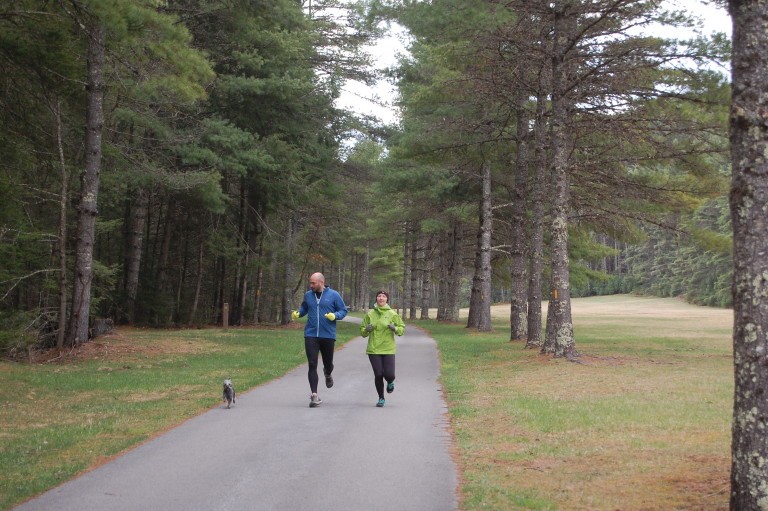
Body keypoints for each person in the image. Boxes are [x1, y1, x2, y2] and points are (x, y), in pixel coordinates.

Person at [291, 272, 348, 408]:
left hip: (328, 335)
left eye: (313, 283)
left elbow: (344, 310)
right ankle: (314, 395)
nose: (310, 285)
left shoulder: (333, 295)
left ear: (321, 282)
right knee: (312, 363)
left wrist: (335, 315)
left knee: (328, 364)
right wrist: (299, 313)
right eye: (310, 283)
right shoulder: (308, 295)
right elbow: (305, 307)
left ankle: (328, 373)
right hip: (310, 334)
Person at [360, 290, 405, 407]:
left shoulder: (392, 314)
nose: (381, 298)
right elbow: (363, 331)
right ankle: (381, 398)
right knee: (378, 374)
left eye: (383, 296)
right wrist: (367, 329)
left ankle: (390, 382)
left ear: (387, 299)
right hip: (374, 349)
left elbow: (402, 329)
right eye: (379, 296)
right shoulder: (370, 314)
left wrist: (394, 328)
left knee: (390, 375)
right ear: (376, 299)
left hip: (388, 348)